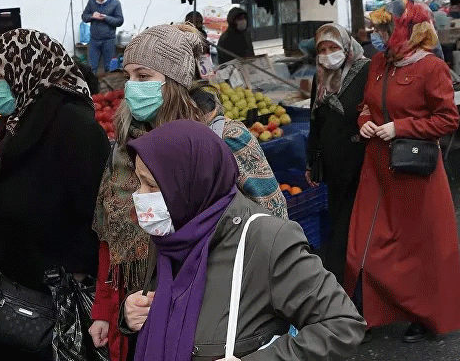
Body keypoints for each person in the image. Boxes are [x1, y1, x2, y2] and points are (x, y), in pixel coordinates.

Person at [88, 24, 287, 361]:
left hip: (218, 311)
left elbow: (273, 221)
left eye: (143, 75)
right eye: (128, 77)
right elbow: (112, 235)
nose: (132, 87)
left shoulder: (224, 140)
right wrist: (107, 307)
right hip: (147, 309)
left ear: (174, 80)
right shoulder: (126, 150)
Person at [121, 120, 366, 360]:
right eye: (139, 182)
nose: (139, 195)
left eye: (152, 185)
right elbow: (168, 303)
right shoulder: (173, 232)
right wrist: (129, 312)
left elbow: (342, 326)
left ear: (192, 183)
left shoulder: (266, 239)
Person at [0, 29, 110, 361]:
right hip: (5, 309)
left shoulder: (77, 130)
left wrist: (73, 282)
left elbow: (99, 222)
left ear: (28, 70)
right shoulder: (9, 127)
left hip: (51, 322)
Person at [347, 0, 460, 343]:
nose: (378, 35)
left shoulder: (432, 68)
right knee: (364, 244)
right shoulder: (379, 62)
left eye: (385, 28)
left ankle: (422, 315)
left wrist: (401, 127)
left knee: (417, 251)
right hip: (377, 169)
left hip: (414, 174)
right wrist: (365, 120)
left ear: (408, 29)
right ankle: (366, 314)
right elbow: (366, 103)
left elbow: (448, 118)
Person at [305, 24, 370, 283]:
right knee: (339, 223)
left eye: (333, 47)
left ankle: (354, 280)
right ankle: (343, 281)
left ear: (345, 46)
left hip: (361, 161)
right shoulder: (320, 76)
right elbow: (315, 122)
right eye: (322, 49)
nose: (328, 54)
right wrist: (311, 162)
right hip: (334, 166)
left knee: (355, 226)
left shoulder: (365, 70)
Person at [82, 0, 124, 73]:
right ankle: (91, 86)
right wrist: (92, 16)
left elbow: (120, 21)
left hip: (109, 40)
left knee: (109, 67)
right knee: (91, 67)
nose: (100, 1)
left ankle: (109, 85)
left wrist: (106, 18)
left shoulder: (115, 3)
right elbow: (84, 17)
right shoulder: (92, 1)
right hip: (94, 39)